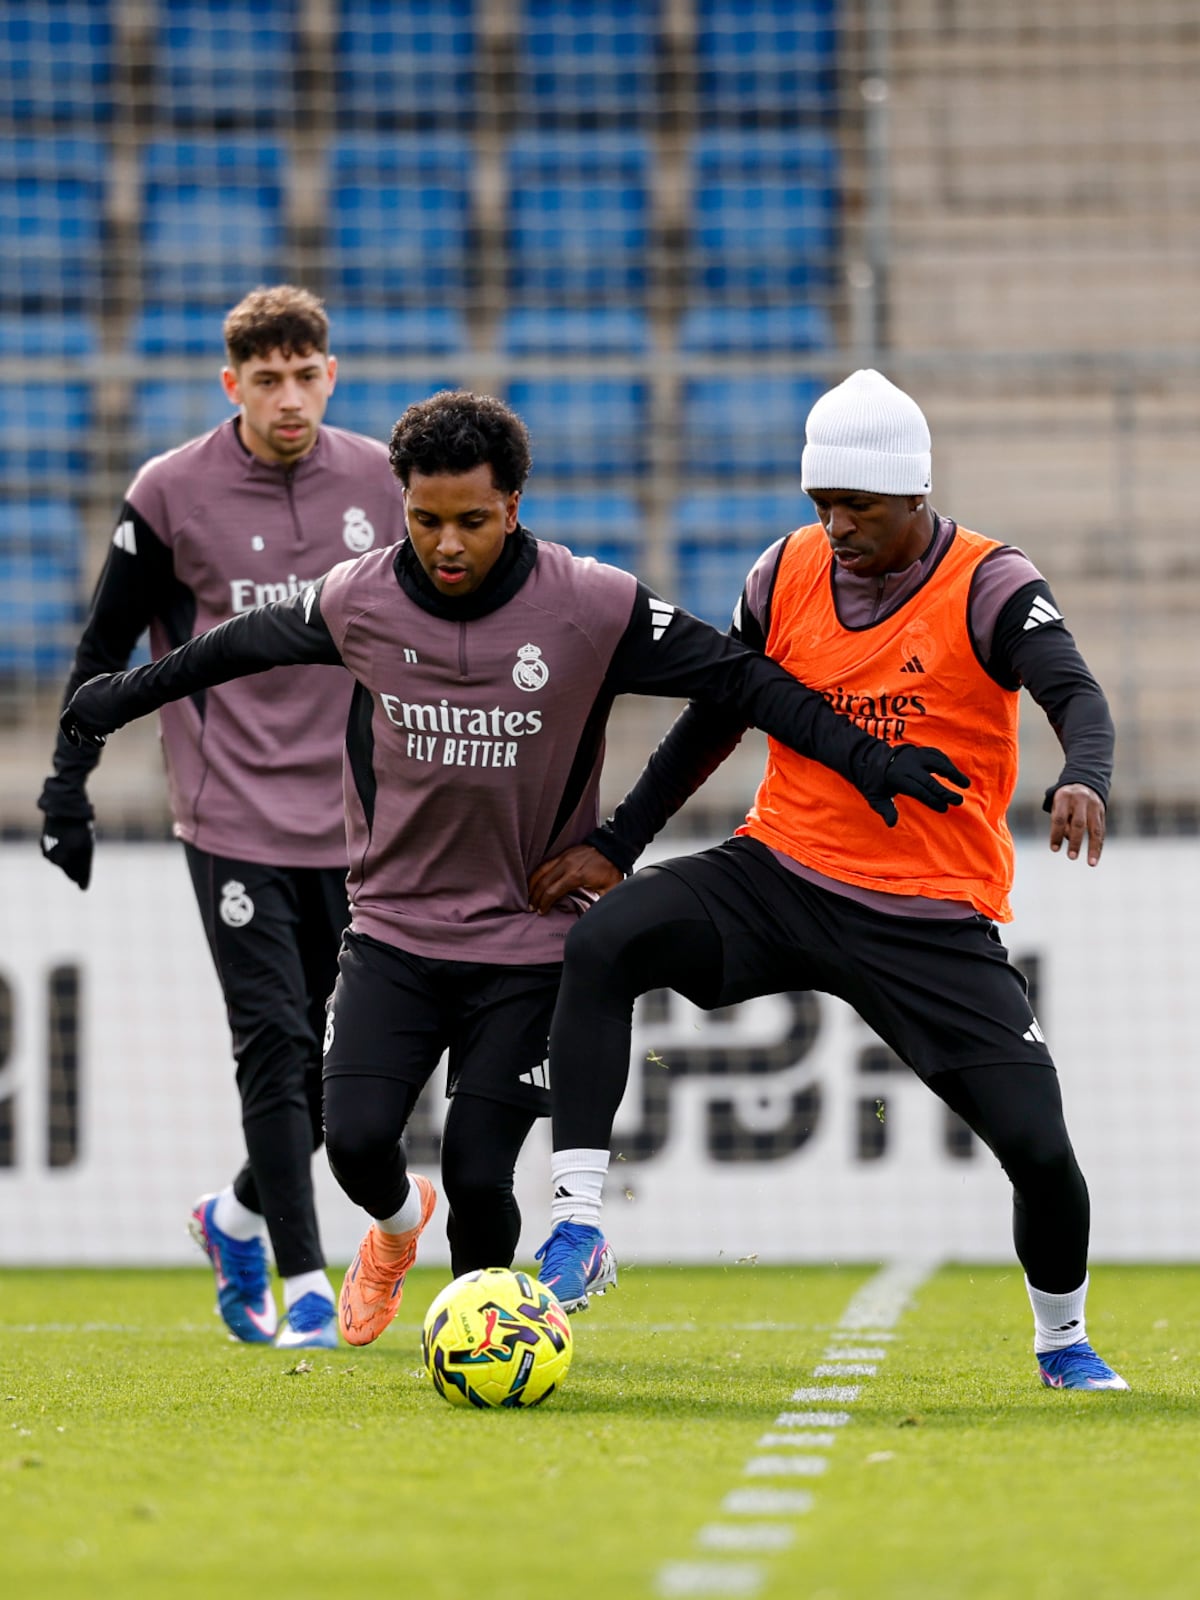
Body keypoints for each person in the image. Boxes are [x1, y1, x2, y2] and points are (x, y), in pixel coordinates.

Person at [58, 389, 969, 1351]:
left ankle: (485, 1341)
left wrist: (865, 761)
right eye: (425, 519)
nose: (447, 545)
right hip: (394, 935)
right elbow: (230, 648)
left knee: (481, 1175)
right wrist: (115, 698)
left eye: (472, 522)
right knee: (356, 1144)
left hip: (529, 944)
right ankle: (397, 1228)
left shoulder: (588, 604)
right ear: (401, 502)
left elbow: (739, 679)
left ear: (515, 507)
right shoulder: (358, 596)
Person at [531, 368, 1130, 1393]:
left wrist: (1085, 775)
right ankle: (579, 1224)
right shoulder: (782, 572)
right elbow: (718, 713)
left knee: (1039, 1148)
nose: (836, 525)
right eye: (822, 503)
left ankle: (1062, 1339)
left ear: (915, 496)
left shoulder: (991, 582)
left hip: (927, 913)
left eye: (858, 505)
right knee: (604, 941)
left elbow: (1072, 689)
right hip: (781, 872)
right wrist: (622, 841)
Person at [38, 285, 407, 1350]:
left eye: (306, 375)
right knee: (272, 1043)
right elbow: (102, 650)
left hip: (356, 822)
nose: (287, 397)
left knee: (334, 1071)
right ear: (230, 382)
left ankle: (235, 1214)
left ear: (330, 375)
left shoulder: (383, 484)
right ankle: (302, 1286)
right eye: (266, 378)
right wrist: (68, 787)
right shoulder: (169, 492)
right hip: (229, 814)